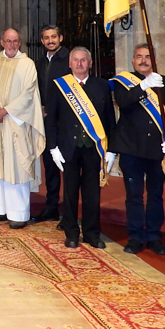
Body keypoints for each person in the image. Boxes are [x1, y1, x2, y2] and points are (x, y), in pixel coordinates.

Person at [110, 43, 165, 256]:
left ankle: (153, 236)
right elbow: (123, 102)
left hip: (156, 149)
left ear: (155, 60)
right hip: (131, 148)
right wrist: (143, 87)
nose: (143, 60)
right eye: (139, 56)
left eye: (148, 56)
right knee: (133, 195)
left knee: (155, 195)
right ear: (133, 60)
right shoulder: (123, 82)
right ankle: (135, 236)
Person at [47, 47, 116, 249]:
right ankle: (71, 232)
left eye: (83, 60)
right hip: (68, 147)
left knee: (92, 192)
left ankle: (92, 233)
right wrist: (53, 147)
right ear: (69, 64)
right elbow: (51, 119)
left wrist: (111, 149)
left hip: (93, 147)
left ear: (90, 63)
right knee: (69, 192)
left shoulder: (101, 85)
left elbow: (109, 119)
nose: (79, 63)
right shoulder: (59, 86)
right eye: (75, 60)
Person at [0, 29, 45, 229]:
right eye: (8, 41)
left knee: (16, 167)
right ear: (1, 42)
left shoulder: (27, 64)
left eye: (15, 41)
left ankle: (18, 213)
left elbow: (28, 94)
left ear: (20, 42)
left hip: (16, 124)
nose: (12, 44)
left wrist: (5, 111)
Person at [33, 24, 69, 223]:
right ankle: (51, 206)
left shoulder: (69, 60)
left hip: (65, 121)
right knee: (50, 166)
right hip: (47, 121)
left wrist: (53, 108)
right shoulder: (39, 63)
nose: (50, 41)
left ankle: (69, 211)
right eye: (46, 38)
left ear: (60, 38)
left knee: (68, 168)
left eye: (53, 37)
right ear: (42, 41)